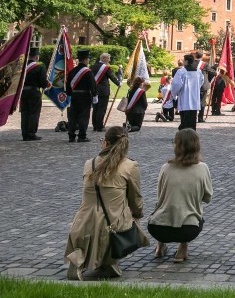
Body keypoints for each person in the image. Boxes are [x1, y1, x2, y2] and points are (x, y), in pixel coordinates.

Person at [65, 126, 147, 280]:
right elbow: (135, 199)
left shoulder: (89, 163)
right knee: (120, 217)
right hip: (113, 223)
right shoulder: (130, 166)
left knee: (96, 219)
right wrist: (137, 215)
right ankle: (109, 260)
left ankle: (78, 261)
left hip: (82, 222)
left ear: (106, 143)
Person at [148, 129, 212, 263]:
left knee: (163, 206)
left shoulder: (166, 167)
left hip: (158, 228)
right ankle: (182, 248)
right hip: (188, 229)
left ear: (176, 146)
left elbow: (160, 196)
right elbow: (207, 197)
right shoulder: (203, 168)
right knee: (192, 212)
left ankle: (160, 245)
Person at [66, 49, 97, 143]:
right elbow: (93, 85)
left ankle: (71, 136)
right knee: (84, 116)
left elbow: (68, 85)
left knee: (73, 116)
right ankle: (82, 136)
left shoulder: (72, 71)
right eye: (88, 59)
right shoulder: (88, 71)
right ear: (85, 60)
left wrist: (70, 94)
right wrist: (95, 96)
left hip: (74, 96)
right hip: (85, 96)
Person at [20, 47, 49, 141]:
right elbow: (43, 83)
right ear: (36, 57)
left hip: (23, 92)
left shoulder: (22, 67)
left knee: (24, 113)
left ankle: (24, 134)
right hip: (34, 92)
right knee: (34, 113)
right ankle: (31, 133)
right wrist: (47, 84)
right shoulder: (40, 67)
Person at [171, 53, 204, 130]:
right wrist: (195, 88)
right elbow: (201, 81)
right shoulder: (198, 71)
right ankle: (192, 135)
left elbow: (176, 84)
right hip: (194, 98)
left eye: (184, 60)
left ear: (186, 61)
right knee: (192, 119)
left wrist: (174, 94)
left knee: (185, 119)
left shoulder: (181, 72)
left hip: (184, 98)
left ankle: (183, 135)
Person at [91, 52, 121, 132]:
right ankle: (100, 126)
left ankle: (95, 126)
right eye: (108, 59)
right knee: (102, 109)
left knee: (95, 109)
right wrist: (119, 83)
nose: (109, 60)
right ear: (104, 59)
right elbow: (112, 77)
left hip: (94, 91)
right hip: (103, 91)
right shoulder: (105, 68)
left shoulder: (93, 66)